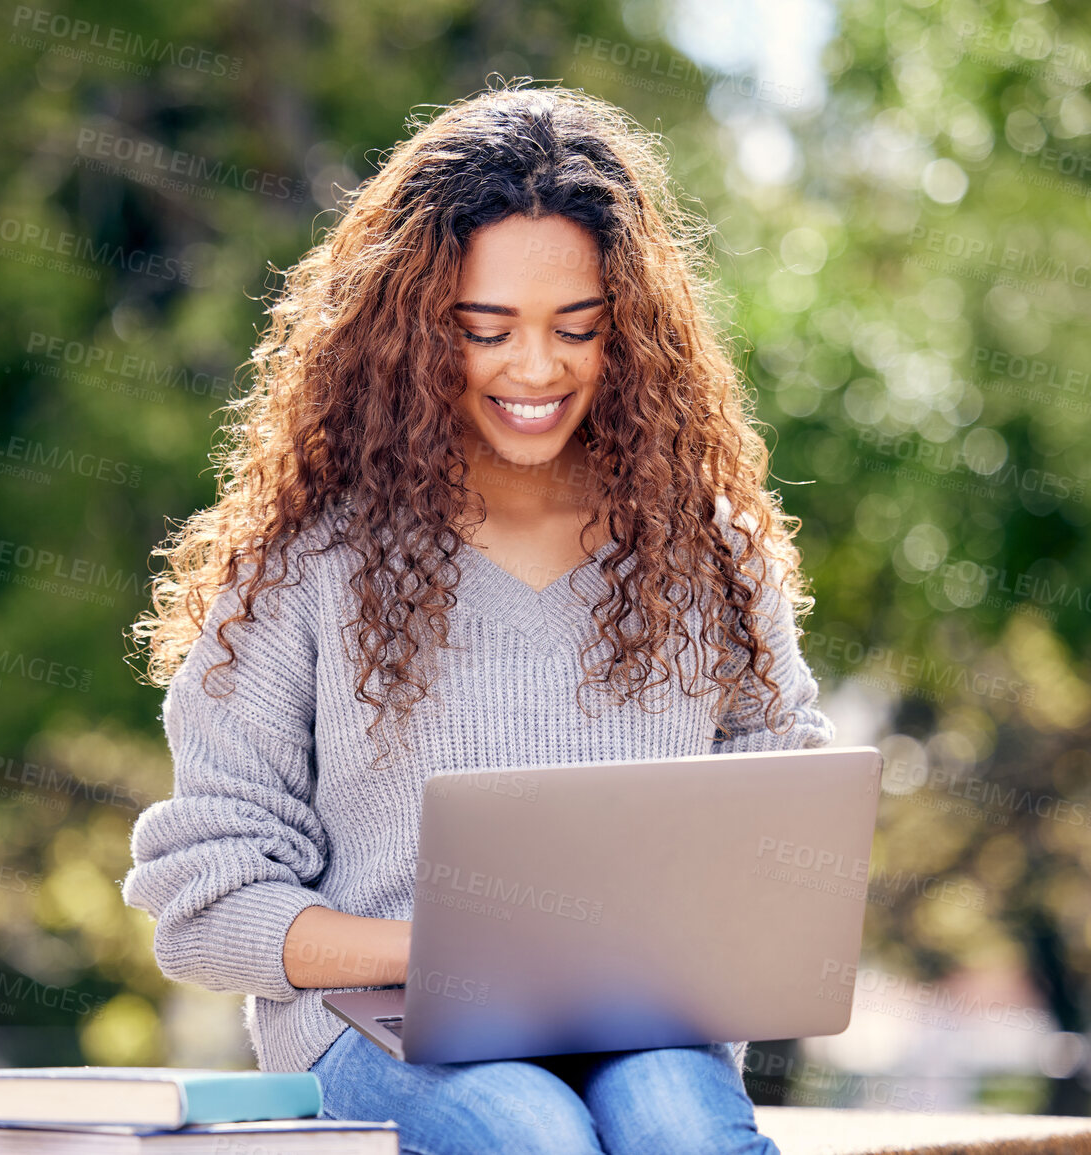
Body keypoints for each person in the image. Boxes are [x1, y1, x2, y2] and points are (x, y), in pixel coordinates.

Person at [122, 82, 835, 1155]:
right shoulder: (305, 562)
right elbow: (204, 902)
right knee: (530, 1132)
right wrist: (439, 952)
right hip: (379, 1029)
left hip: (643, 1026)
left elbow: (788, 821)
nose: (537, 369)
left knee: (684, 1135)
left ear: (629, 331)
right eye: (486, 330)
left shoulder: (708, 550)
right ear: (410, 329)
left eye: (578, 329)